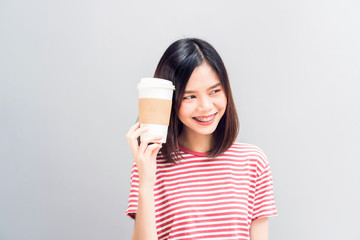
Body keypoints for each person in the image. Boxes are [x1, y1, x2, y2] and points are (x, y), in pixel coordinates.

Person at [126, 38, 277, 240]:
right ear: (170, 100)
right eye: (190, 96)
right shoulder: (149, 164)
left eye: (214, 91)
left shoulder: (253, 161)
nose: (205, 106)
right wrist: (146, 182)